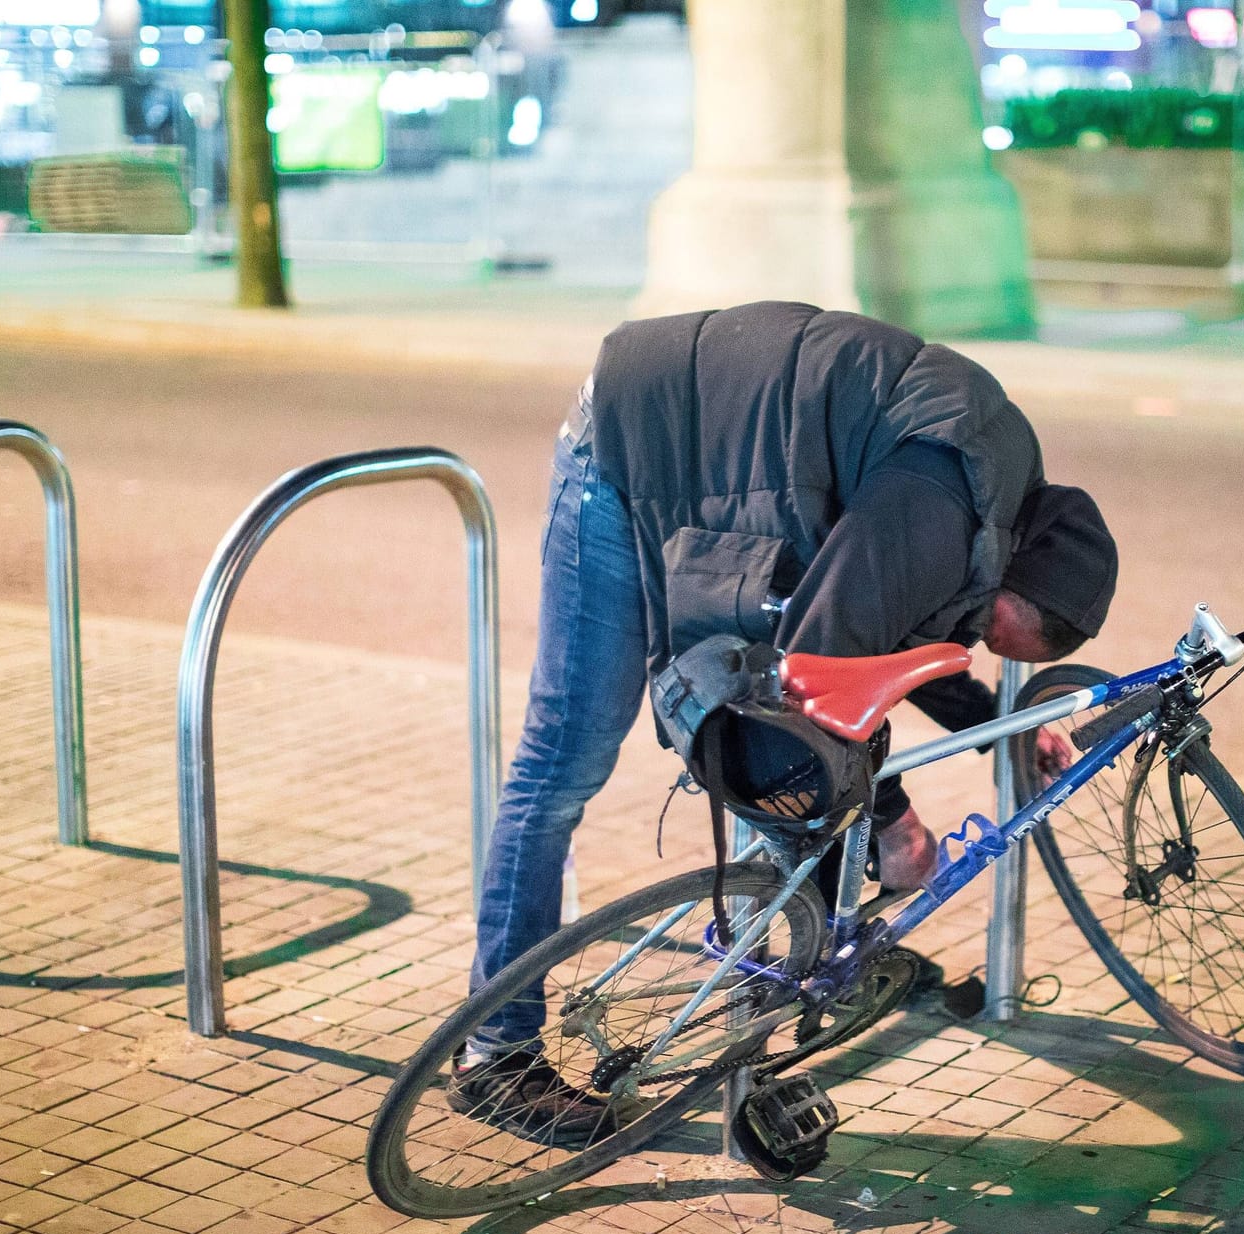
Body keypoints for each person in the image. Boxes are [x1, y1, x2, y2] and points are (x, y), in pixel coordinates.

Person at [457, 300, 1118, 1133]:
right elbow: (823, 665)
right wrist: (896, 824)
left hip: (721, 450)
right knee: (567, 762)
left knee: (815, 761)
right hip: (630, 445)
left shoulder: (998, 494)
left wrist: (993, 723)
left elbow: (919, 625)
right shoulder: (936, 502)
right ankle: (497, 1056)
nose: (982, 640)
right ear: (1015, 571)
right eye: (997, 633)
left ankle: (801, 963)